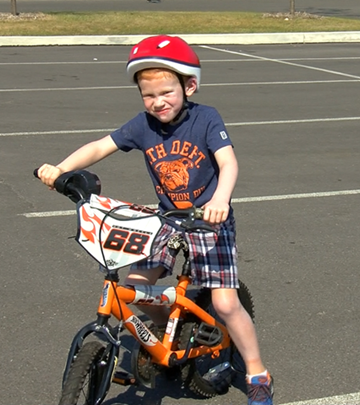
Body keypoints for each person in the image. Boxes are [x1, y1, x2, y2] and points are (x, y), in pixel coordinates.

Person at [36, 35, 274, 405]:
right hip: (167, 219)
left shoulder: (205, 118)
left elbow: (227, 162)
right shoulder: (143, 125)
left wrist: (220, 200)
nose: (157, 102)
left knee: (226, 305)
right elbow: (101, 146)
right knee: (135, 288)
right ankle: (168, 333)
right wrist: (61, 169)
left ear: (188, 86)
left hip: (208, 219)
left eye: (166, 92)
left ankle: (257, 370)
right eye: (148, 95)